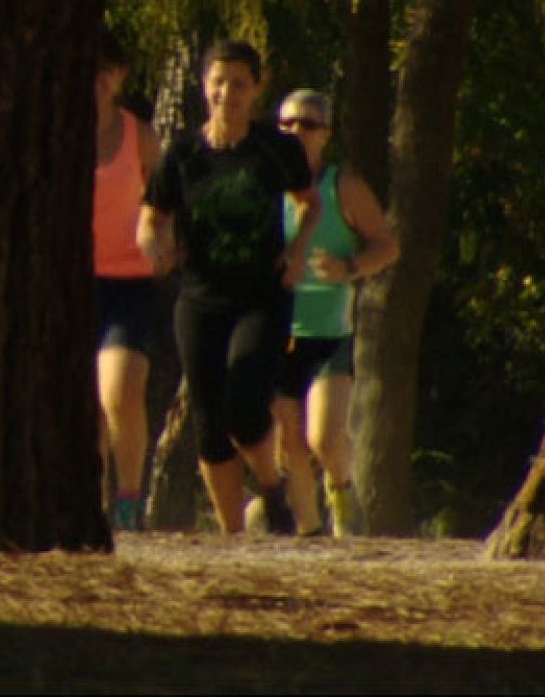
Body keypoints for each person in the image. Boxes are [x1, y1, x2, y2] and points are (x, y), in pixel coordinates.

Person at [137, 40, 320, 535]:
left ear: (256, 89)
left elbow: (309, 203)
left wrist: (298, 250)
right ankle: (232, 537)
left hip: (261, 295)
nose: (227, 93)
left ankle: (270, 486)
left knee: (244, 401)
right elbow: (152, 217)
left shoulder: (275, 149)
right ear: (204, 86)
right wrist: (155, 247)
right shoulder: (183, 153)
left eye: (239, 83)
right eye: (218, 82)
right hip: (199, 299)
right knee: (209, 424)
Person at [270, 89, 399, 536]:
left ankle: (341, 491)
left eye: (306, 124)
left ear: (324, 134)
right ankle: (309, 534)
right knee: (287, 443)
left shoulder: (342, 186)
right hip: (276, 331)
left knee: (323, 437)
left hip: (328, 331)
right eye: (285, 124)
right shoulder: (264, 186)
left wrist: (349, 267)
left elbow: (388, 244)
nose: (294, 132)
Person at [93, 30, 161, 531]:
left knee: (120, 391)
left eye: (107, 69)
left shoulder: (140, 135)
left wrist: (160, 239)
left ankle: (129, 500)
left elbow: (164, 201)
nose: (97, 79)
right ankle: (87, 506)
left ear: (120, 77)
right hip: (70, 283)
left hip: (129, 281)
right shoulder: (53, 129)